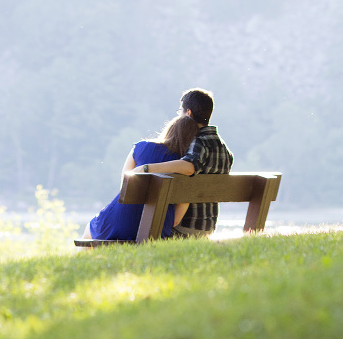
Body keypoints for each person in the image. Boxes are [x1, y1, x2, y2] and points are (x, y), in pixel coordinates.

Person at [129, 87, 233, 237]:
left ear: (188, 113)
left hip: (186, 227)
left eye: (180, 111)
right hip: (208, 226)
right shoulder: (224, 148)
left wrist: (147, 168)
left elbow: (189, 167)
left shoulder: (199, 143)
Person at [82, 113, 199, 241]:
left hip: (121, 221)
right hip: (160, 228)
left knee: (90, 229)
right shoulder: (183, 165)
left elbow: (125, 186)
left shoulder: (141, 147)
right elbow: (176, 220)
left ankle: (84, 261)